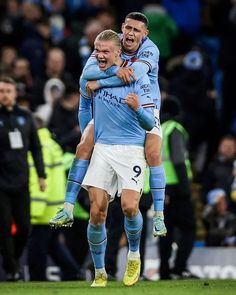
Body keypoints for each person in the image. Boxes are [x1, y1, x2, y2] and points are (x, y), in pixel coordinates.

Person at [50, 12, 167, 238]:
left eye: (137, 30)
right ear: (122, 27)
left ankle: (159, 215)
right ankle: (67, 207)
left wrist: (100, 82)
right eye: (128, 28)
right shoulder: (110, 44)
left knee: (153, 153)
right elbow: (87, 73)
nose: (131, 33)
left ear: (145, 34)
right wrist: (114, 70)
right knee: (84, 143)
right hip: (111, 111)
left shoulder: (150, 50)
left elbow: (133, 75)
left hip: (144, 107)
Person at [81, 30, 155, 287]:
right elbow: (85, 77)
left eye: (105, 51)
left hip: (131, 149)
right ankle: (100, 271)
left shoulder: (137, 77)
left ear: (117, 52)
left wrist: (136, 108)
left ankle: (134, 255)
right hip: (103, 149)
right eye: (97, 50)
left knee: (129, 207)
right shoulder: (93, 70)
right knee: (96, 212)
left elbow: (148, 122)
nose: (99, 55)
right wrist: (110, 75)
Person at [0, 77, 46, 281]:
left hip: (21, 182)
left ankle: (12, 261)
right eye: (1, 91)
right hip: (1, 183)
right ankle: (12, 269)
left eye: (8, 91)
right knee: (3, 227)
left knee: (25, 227)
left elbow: (36, 148)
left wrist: (41, 174)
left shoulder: (25, 117)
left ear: (15, 93)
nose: (5, 95)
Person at [27, 115, 83, 281]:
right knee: (53, 246)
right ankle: (73, 272)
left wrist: (35, 208)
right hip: (54, 205)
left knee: (38, 247)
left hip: (44, 208)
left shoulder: (41, 146)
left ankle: (37, 279)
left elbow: (42, 179)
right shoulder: (51, 144)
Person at [158, 96, 198, 280]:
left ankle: (164, 270)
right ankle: (179, 267)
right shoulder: (175, 129)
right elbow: (179, 161)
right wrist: (185, 188)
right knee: (189, 228)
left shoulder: (159, 130)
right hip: (177, 189)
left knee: (166, 232)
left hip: (162, 189)